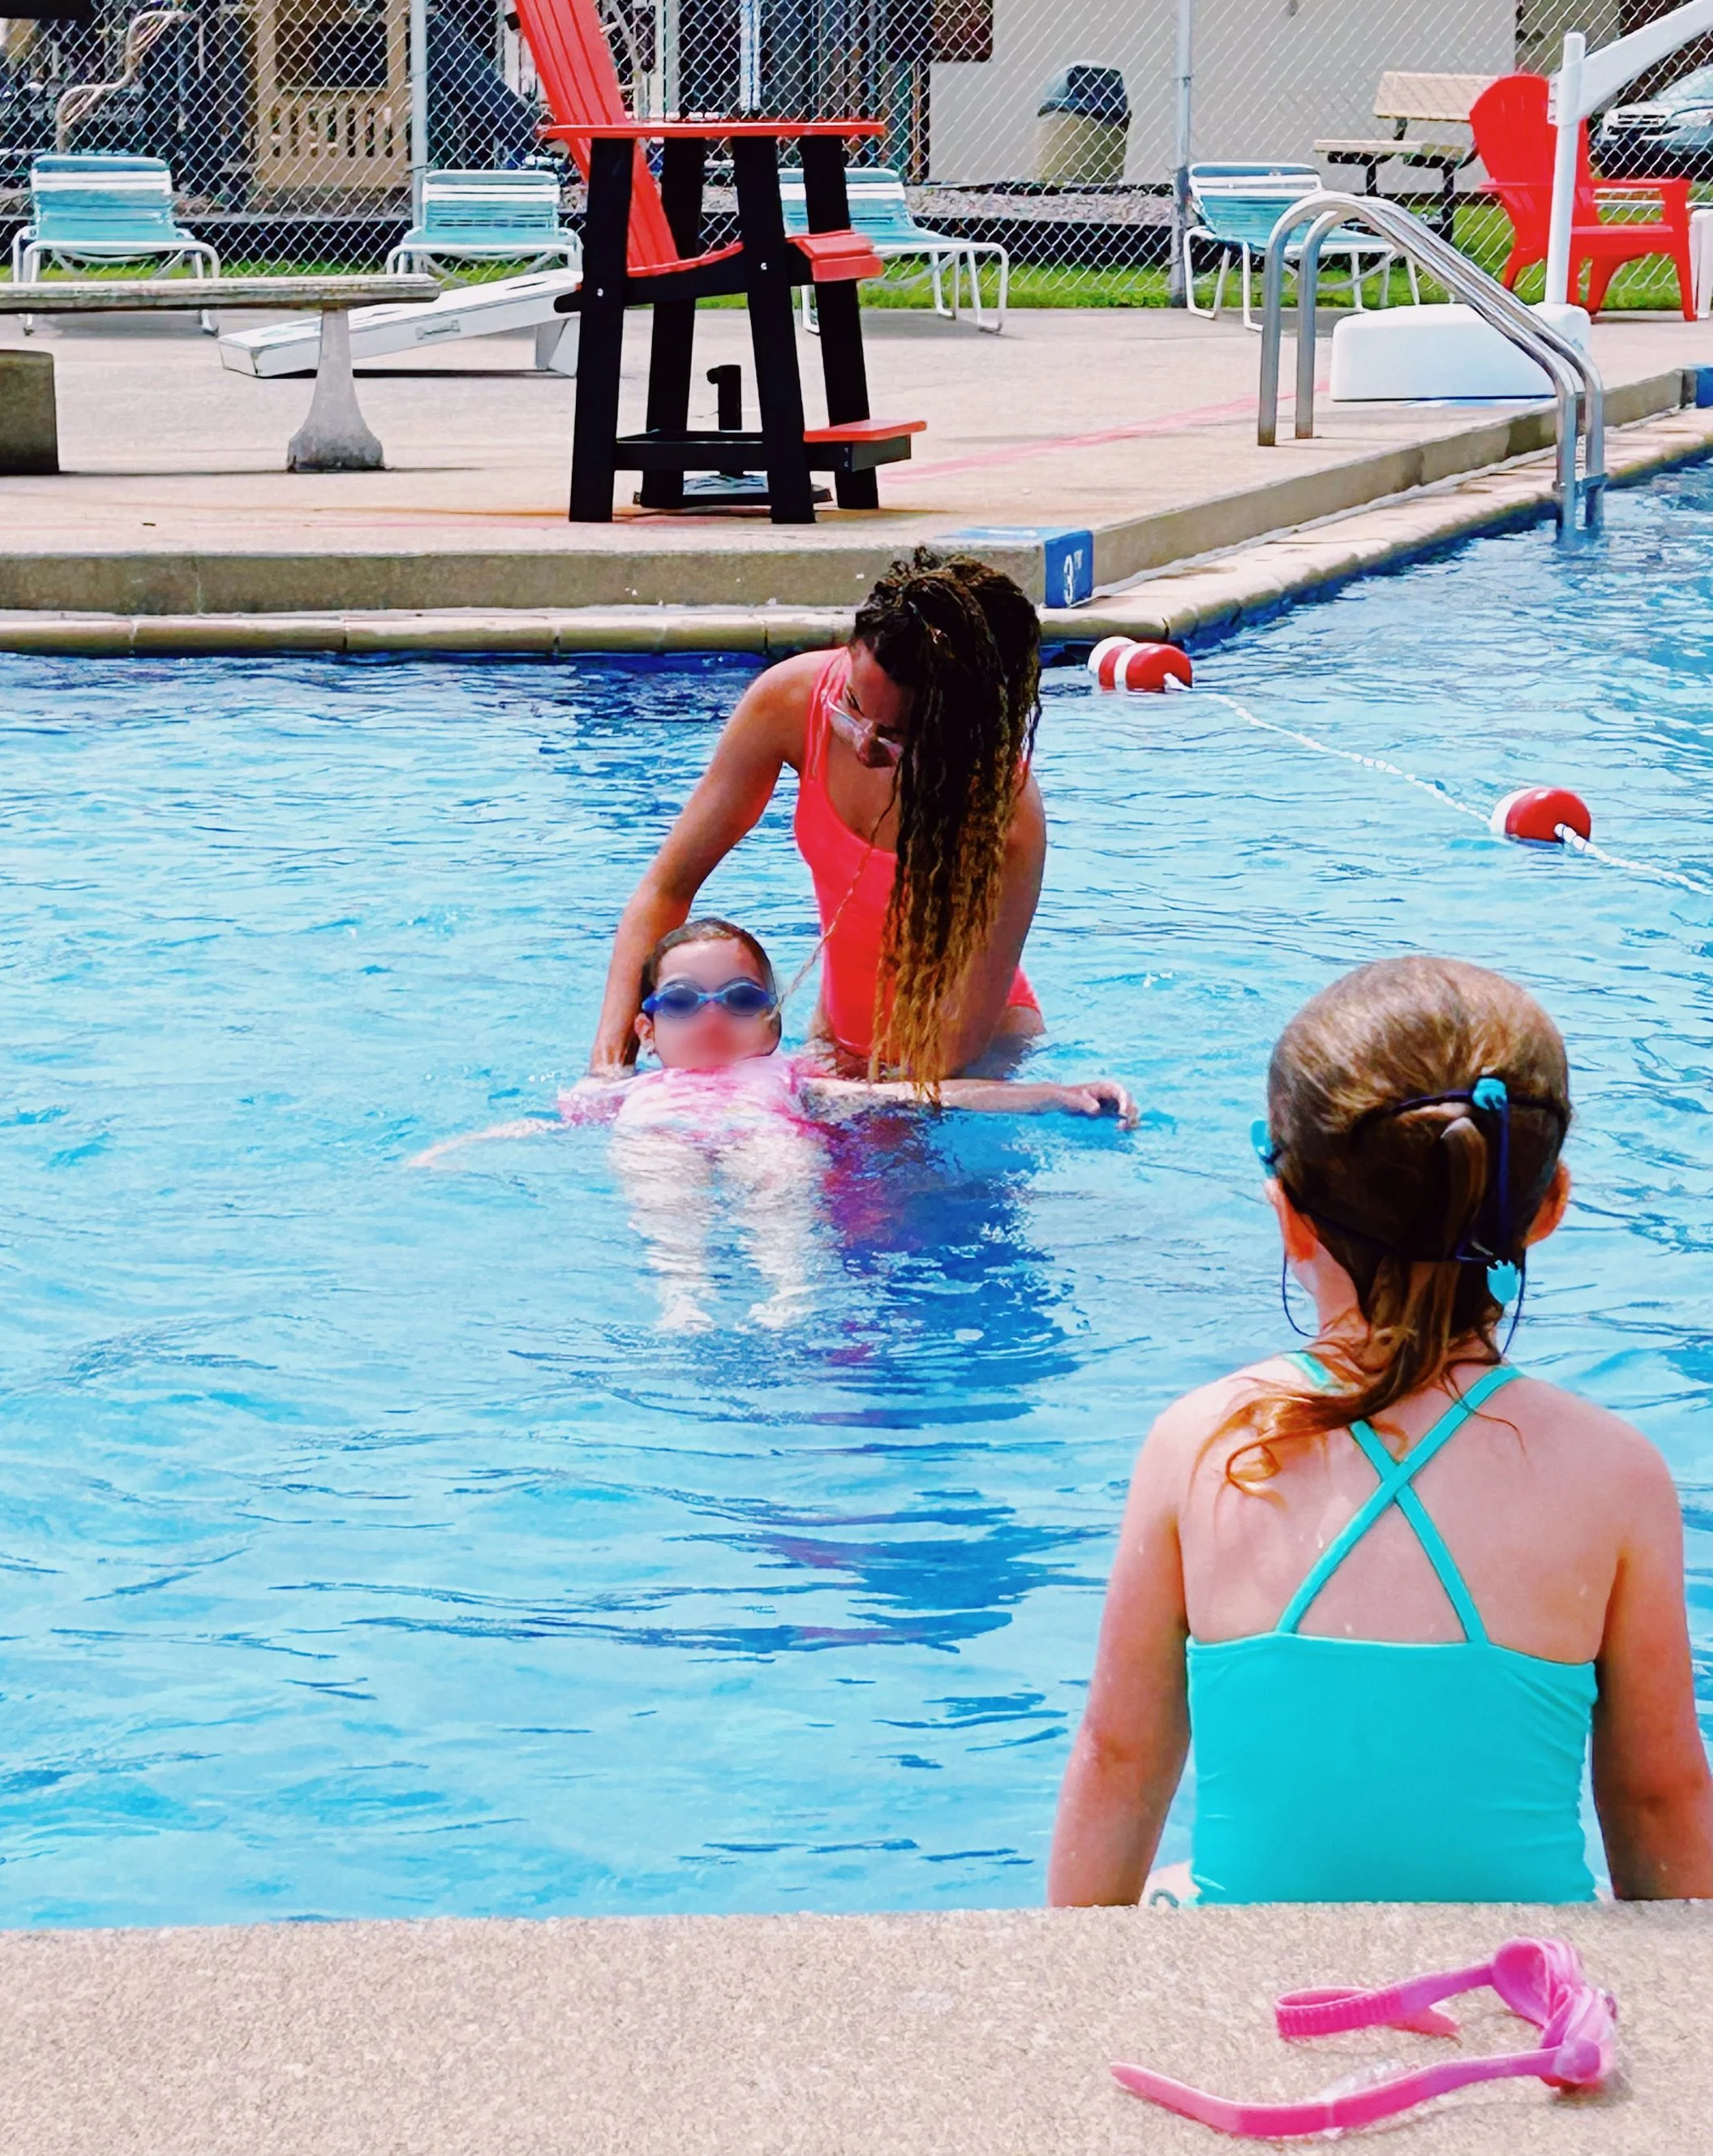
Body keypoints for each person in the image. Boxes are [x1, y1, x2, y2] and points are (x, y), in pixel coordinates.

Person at [1047, 955, 1713, 1905]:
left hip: (1256, 1987)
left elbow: (1120, 1757)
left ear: (1287, 1215)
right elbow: (1656, 1801)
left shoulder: (1197, 1446)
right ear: (1551, 1206)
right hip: (1517, 1979)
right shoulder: (1615, 1474)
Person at [427, 918, 1135, 1331]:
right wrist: (457, 1149)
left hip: (767, 1132)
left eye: (737, 999)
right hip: (659, 1140)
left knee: (781, 1169)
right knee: (662, 1184)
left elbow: (919, 1097)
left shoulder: (791, 1079)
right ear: (645, 1031)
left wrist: (1050, 1094)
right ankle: (684, 1300)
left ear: (771, 1025)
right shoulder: (629, 1094)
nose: (710, 1016)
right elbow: (539, 1130)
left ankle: (789, 1296)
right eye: (682, 1003)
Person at [590, 549, 1048, 1084]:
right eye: (853, 705)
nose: (865, 746)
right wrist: (607, 1070)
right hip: (834, 1047)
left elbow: (943, 1059)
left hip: (966, 1063)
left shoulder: (1003, 815)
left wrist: (832, 1096)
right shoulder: (791, 702)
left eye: (898, 735)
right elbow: (665, 892)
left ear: (960, 731)